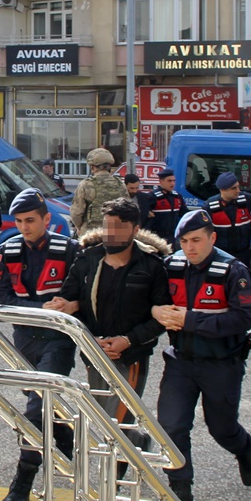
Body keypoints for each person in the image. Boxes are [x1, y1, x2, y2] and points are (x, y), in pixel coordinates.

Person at [44, 196, 171, 485]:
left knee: (117, 422)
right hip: (94, 354)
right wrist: (65, 305)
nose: (111, 233)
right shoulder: (87, 258)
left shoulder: (151, 266)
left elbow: (160, 317)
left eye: (119, 227)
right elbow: (70, 295)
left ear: (135, 230)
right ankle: (138, 440)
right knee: (105, 418)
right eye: (107, 226)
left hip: (130, 356)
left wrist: (128, 340)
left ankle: (108, 489)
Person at [150, 210, 251, 501]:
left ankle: (243, 449)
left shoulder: (232, 270)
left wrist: (190, 320)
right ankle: (180, 495)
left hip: (221, 364)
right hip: (180, 361)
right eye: (184, 241)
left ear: (212, 238)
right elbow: (152, 302)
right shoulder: (170, 266)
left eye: (196, 240)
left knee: (222, 429)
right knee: (171, 427)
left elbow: (243, 318)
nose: (190, 247)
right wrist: (157, 309)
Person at [0, 189, 81, 501]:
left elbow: (81, 293)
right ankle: (67, 437)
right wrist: (37, 307)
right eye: (18, 221)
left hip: (58, 339)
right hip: (24, 340)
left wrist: (68, 304)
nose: (24, 226)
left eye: (30, 220)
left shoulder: (69, 250)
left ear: (46, 219)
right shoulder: (6, 250)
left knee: (35, 408)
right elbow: (0, 299)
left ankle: (22, 481)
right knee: (44, 403)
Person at [206, 172, 251, 268]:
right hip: (220, 255)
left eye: (238, 187)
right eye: (233, 188)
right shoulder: (210, 206)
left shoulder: (246, 199)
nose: (238, 190)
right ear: (223, 190)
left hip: (243, 254)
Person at [68, 148, 125, 235]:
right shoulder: (120, 184)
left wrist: (80, 228)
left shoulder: (86, 184)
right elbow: (128, 210)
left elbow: (76, 213)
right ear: (109, 166)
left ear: (92, 166)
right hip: (115, 234)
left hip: (92, 235)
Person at [141, 168, 186, 247]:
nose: (172, 183)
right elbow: (143, 214)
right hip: (156, 237)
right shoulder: (153, 196)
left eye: (174, 180)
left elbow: (184, 214)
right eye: (169, 181)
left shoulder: (177, 196)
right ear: (161, 181)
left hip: (172, 236)